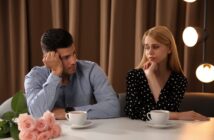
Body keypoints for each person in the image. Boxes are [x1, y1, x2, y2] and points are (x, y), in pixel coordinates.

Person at [24, 28, 120, 119]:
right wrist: (55, 74)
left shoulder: (91, 70)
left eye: (74, 53)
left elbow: (113, 108)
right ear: (49, 57)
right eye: (66, 57)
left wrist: (68, 112)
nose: (74, 61)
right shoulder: (34, 76)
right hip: (53, 135)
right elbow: (36, 113)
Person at [124, 26, 209, 121]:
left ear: (169, 49)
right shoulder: (134, 75)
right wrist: (178, 115)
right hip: (137, 130)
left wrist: (151, 78)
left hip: (170, 131)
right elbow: (132, 111)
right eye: (147, 47)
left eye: (155, 47)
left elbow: (168, 110)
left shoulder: (179, 80)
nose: (150, 52)